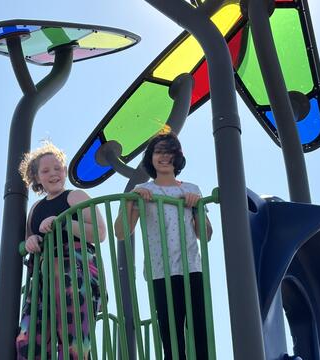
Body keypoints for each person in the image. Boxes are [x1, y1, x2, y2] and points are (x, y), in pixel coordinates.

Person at [114, 132, 213, 360]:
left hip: (191, 268)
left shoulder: (191, 189)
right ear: (151, 158)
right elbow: (121, 232)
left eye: (170, 151)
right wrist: (131, 201)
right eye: (159, 151)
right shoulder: (142, 190)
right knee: (171, 336)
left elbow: (205, 235)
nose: (164, 156)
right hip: (161, 271)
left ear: (178, 157)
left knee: (200, 334)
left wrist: (197, 208)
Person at [16, 141, 106, 360]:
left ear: (64, 171)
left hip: (75, 272)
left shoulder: (75, 197)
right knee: (27, 341)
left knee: (73, 341)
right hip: (43, 278)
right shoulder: (35, 209)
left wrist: (63, 222)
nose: (53, 174)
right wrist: (31, 241)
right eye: (45, 171)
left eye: (57, 168)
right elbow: (30, 239)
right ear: (37, 178)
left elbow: (100, 232)